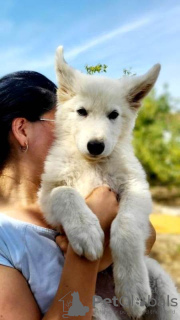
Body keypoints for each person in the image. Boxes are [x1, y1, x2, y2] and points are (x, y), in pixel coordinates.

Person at [0, 71, 156, 320]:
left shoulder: (70, 184)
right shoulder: (5, 237)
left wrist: (113, 247)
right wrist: (86, 257)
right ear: (22, 130)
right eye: (59, 120)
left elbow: (147, 232)